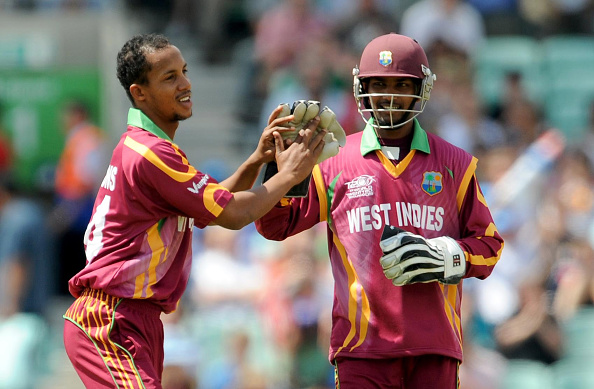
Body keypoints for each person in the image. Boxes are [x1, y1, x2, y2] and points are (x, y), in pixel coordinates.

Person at [62, 33, 325, 389]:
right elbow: (231, 215)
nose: (186, 83)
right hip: (111, 318)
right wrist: (290, 175)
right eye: (169, 77)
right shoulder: (150, 154)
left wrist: (256, 159)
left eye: (184, 71)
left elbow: (211, 207)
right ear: (139, 92)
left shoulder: (148, 148)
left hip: (134, 318)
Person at [255, 33, 504, 388]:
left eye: (402, 84)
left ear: (422, 89)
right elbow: (274, 225)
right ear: (361, 87)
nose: (389, 94)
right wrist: (282, 171)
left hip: (435, 345)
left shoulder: (455, 163)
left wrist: (447, 255)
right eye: (379, 84)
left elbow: (490, 247)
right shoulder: (332, 159)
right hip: (360, 349)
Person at [51, 99, 107, 295]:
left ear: (78, 115)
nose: (63, 120)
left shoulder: (86, 138)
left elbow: (86, 178)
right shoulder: (80, 137)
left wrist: (65, 212)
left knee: (75, 251)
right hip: (75, 205)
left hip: (77, 207)